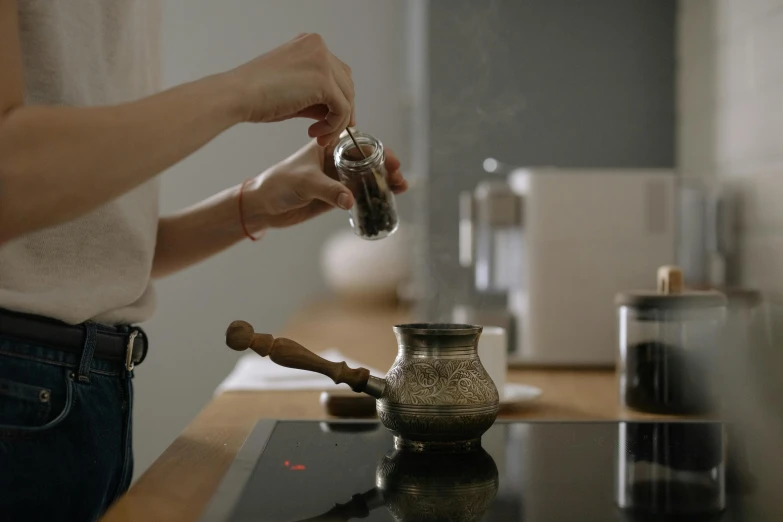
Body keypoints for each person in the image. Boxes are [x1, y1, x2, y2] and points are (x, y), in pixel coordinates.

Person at [0, 1, 407, 520]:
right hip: (21, 384)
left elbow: (79, 256)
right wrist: (244, 90)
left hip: (87, 393)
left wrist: (253, 203)